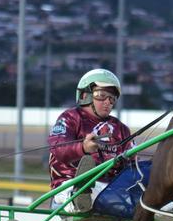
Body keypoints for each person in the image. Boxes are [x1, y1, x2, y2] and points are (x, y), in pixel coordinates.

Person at [48, 68, 133, 213]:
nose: (107, 102)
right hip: (68, 184)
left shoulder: (121, 129)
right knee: (89, 189)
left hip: (110, 188)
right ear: (85, 95)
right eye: (101, 95)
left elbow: (132, 166)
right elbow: (57, 148)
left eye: (112, 98)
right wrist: (83, 148)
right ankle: (77, 195)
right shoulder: (70, 117)